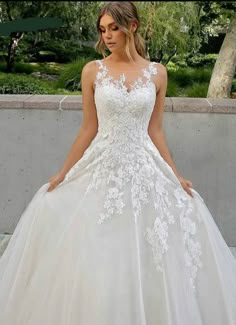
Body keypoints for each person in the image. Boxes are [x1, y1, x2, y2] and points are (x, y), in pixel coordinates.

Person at [0, 1, 236, 324]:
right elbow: (89, 128)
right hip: (102, 164)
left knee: (157, 243)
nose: (107, 36)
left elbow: (155, 130)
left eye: (113, 28)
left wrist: (176, 175)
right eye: (103, 29)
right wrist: (63, 173)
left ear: (132, 27)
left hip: (145, 168)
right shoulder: (92, 71)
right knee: (98, 247)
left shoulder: (158, 73)